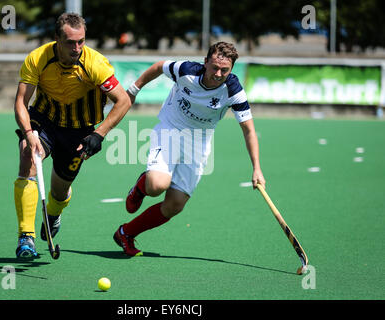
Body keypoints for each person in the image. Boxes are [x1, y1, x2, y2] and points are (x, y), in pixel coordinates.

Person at [113, 42, 265, 256]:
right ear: (205, 62)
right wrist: (134, 89)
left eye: (225, 70)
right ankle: (141, 188)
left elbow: (249, 130)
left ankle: (125, 233)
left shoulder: (233, 90)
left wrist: (256, 168)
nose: (218, 74)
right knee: (157, 185)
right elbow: (158, 67)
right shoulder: (186, 71)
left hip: (199, 142)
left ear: (231, 69)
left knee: (174, 205)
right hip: (170, 129)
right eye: (214, 67)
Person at [13, 13, 131, 258]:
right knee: (28, 153)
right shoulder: (38, 58)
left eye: (81, 41)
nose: (77, 48)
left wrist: (99, 134)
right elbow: (21, 103)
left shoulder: (95, 64)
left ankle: (53, 215)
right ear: (56, 38)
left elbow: (123, 101)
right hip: (45, 120)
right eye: (70, 42)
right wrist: (28, 133)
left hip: (80, 130)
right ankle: (26, 237)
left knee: (60, 190)